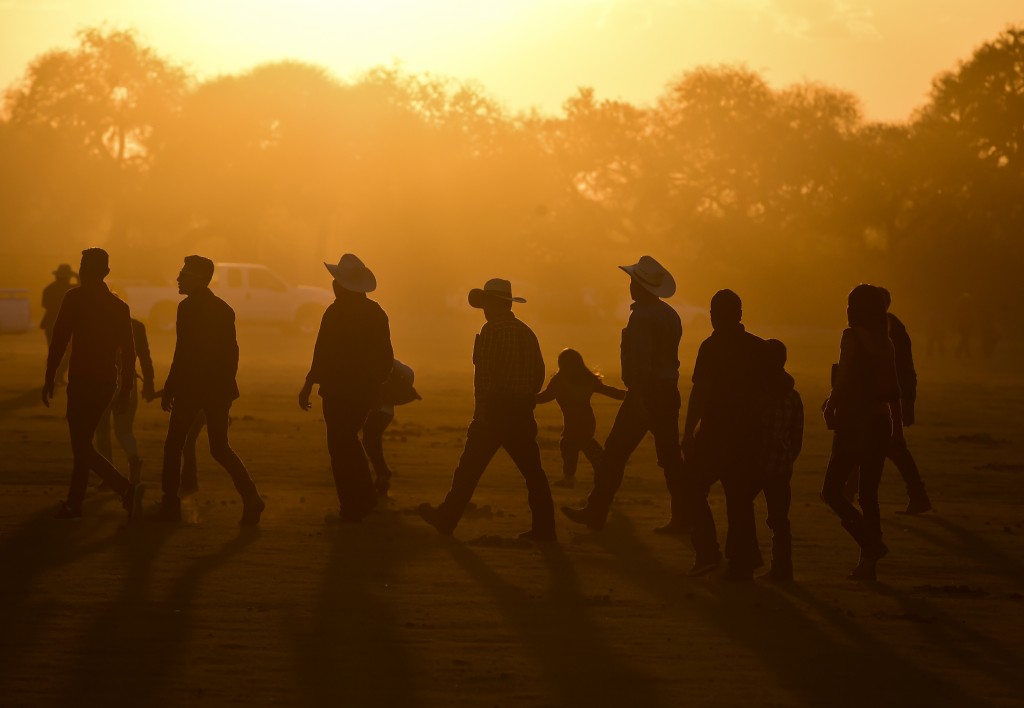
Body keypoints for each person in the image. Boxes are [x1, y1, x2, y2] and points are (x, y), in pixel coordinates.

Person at [418, 278, 555, 542]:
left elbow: (485, 378)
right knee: (533, 472)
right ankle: (545, 527)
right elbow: (539, 373)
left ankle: (447, 518)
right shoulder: (527, 332)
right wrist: (526, 399)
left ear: (491, 304)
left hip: (496, 409)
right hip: (522, 409)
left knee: (469, 469)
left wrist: (481, 414)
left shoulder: (492, 331)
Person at [561, 256, 687, 533]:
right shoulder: (669, 314)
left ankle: (596, 512)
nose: (629, 286)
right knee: (670, 459)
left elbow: (641, 363)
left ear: (639, 286)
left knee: (615, 453)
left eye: (632, 282)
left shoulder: (641, 316)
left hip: (646, 392)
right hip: (667, 391)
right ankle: (683, 518)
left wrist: (638, 398)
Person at [41, 248, 145, 520]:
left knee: (82, 445)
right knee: (83, 443)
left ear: (82, 270)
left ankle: (122, 489)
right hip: (105, 382)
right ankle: (81, 502)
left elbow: (60, 339)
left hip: (81, 379)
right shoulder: (118, 306)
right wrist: (124, 390)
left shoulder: (74, 299)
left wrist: (50, 376)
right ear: (106, 273)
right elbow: (129, 352)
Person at [160, 256, 264, 525]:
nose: (179, 278)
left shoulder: (187, 309)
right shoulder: (224, 309)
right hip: (218, 390)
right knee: (220, 448)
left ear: (197, 278)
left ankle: (170, 506)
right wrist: (226, 386)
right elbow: (233, 352)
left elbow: (183, 352)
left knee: (173, 444)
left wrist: (171, 387)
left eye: (184, 273)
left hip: (193, 388)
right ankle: (251, 496)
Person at [681, 289, 769, 580]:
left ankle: (707, 553)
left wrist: (688, 430)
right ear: (740, 315)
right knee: (739, 498)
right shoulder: (758, 348)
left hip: (715, 431)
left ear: (713, 316)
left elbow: (701, 390)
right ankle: (743, 562)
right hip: (749, 434)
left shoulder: (711, 346)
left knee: (692, 488)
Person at [299, 254, 393, 522]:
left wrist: (308, 384)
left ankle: (355, 502)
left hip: (336, 391)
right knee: (347, 441)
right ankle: (361, 499)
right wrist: (374, 387)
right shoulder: (376, 314)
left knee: (340, 445)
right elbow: (385, 359)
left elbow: (321, 353)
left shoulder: (335, 312)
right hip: (361, 393)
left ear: (341, 286)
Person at [821, 284, 903, 581]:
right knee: (869, 495)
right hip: (880, 422)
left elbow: (842, 379)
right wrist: (898, 430)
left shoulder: (851, 337)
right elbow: (894, 391)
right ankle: (868, 564)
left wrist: (830, 406)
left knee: (832, 491)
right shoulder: (885, 342)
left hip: (855, 422)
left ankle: (870, 544)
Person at [536, 348, 625, 488]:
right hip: (584, 421)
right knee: (573, 445)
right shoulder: (585, 379)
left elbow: (544, 397)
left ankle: (598, 474)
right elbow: (610, 391)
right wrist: (628, 395)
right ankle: (595, 474)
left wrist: (526, 398)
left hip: (577, 422)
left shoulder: (560, 381)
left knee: (576, 445)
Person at [880, 288, 931, 514]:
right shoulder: (890, 327)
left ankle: (918, 495)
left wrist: (907, 401)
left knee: (892, 447)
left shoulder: (889, 330)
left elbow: (902, 369)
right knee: (872, 445)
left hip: (888, 398)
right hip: (887, 397)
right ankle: (847, 493)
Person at [757, 339, 803, 582]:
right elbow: (797, 437)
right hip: (781, 465)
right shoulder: (793, 396)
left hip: (756, 463)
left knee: (741, 508)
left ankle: (744, 559)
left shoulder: (757, 394)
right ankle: (782, 567)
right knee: (779, 519)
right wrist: (787, 458)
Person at [95, 317, 156, 486]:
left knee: (102, 432)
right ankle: (134, 462)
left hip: (102, 380)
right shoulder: (136, 326)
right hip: (128, 380)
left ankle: (108, 477)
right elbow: (145, 356)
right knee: (124, 432)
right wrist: (149, 383)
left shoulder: (96, 322)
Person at [363, 358, 420, 498]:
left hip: (380, 410)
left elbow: (408, 373)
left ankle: (382, 473)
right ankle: (381, 474)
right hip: (383, 411)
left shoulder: (383, 358)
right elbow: (409, 373)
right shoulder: (384, 358)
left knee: (370, 440)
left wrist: (391, 392)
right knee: (370, 440)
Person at [41, 263, 77, 385]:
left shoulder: (49, 288)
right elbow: (83, 285)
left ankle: (54, 376)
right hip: (65, 323)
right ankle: (58, 375)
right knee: (68, 351)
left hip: (51, 323)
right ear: (68, 277)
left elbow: (44, 304)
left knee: (54, 352)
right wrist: (76, 275)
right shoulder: (71, 289)